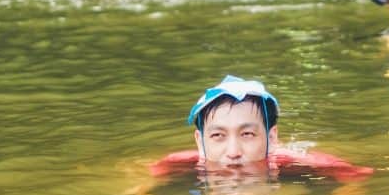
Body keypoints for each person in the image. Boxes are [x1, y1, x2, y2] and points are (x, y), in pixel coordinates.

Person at [149, 75, 372, 181]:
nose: (233, 152)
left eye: (247, 134)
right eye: (218, 135)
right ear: (200, 141)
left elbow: (359, 176)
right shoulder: (182, 161)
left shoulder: (290, 160)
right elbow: (147, 172)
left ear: (272, 137)